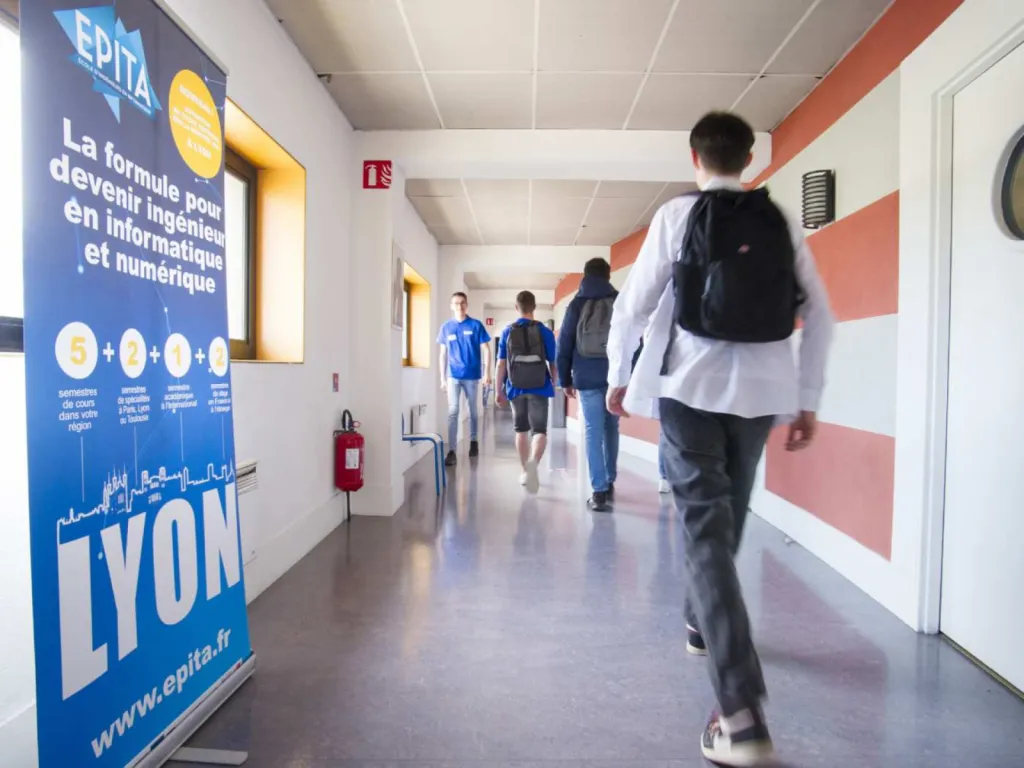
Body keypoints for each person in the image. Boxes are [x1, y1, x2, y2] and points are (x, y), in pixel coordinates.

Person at [605, 111, 834, 766]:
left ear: (694, 158)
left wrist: (619, 376)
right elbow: (821, 313)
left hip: (689, 390)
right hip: (762, 394)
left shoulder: (677, 216)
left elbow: (634, 305)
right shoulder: (777, 218)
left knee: (707, 530)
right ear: (749, 158)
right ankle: (702, 620)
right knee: (727, 517)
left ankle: (739, 714)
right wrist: (808, 399)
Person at [556, 257, 619, 512]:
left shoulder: (576, 303)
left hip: (586, 376)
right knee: (612, 427)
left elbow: (564, 344)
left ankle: (598, 491)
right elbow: (633, 338)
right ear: (608, 275)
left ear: (585, 275)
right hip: (614, 376)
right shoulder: (619, 300)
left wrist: (565, 380)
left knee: (593, 431)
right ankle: (610, 480)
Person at [495, 291, 558, 494]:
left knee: (520, 431)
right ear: (534, 307)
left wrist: (498, 390)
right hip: (540, 386)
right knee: (539, 432)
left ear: (517, 308)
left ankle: (524, 472)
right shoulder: (545, 332)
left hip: (516, 387)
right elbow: (553, 362)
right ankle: (532, 468)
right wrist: (554, 383)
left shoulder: (507, 331)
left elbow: (500, 364)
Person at [437, 292, 492, 466]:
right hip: (453, 376)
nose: (459, 306)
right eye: (456, 303)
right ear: (451, 306)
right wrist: (442, 378)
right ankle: (452, 450)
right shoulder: (446, 327)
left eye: (462, 303)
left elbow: (486, 349)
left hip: (472, 376)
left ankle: (473, 441)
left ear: (466, 305)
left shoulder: (476, 325)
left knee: (472, 410)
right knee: (453, 411)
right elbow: (443, 354)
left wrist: (487, 373)